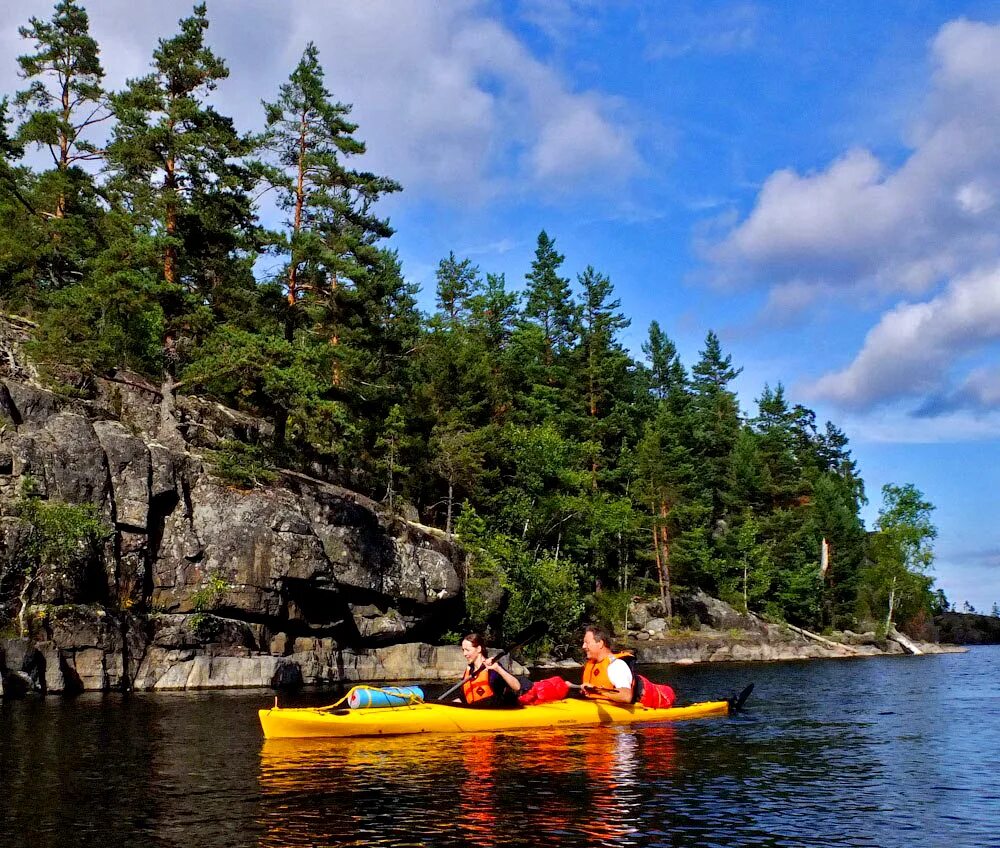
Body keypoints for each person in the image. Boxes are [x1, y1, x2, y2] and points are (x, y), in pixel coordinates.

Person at [457, 633, 522, 708]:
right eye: (463, 650)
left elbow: (517, 686)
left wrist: (498, 669)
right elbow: (462, 699)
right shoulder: (468, 672)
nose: (464, 654)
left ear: (478, 649)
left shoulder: (492, 668)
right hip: (474, 714)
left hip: (493, 713)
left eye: (467, 650)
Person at [580, 625, 636, 704]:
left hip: (618, 711)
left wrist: (597, 690)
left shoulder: (616, 665)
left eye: (587, 642)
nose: (583, 646)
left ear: (600, 643)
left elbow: (626, 696)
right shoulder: (592, 664)